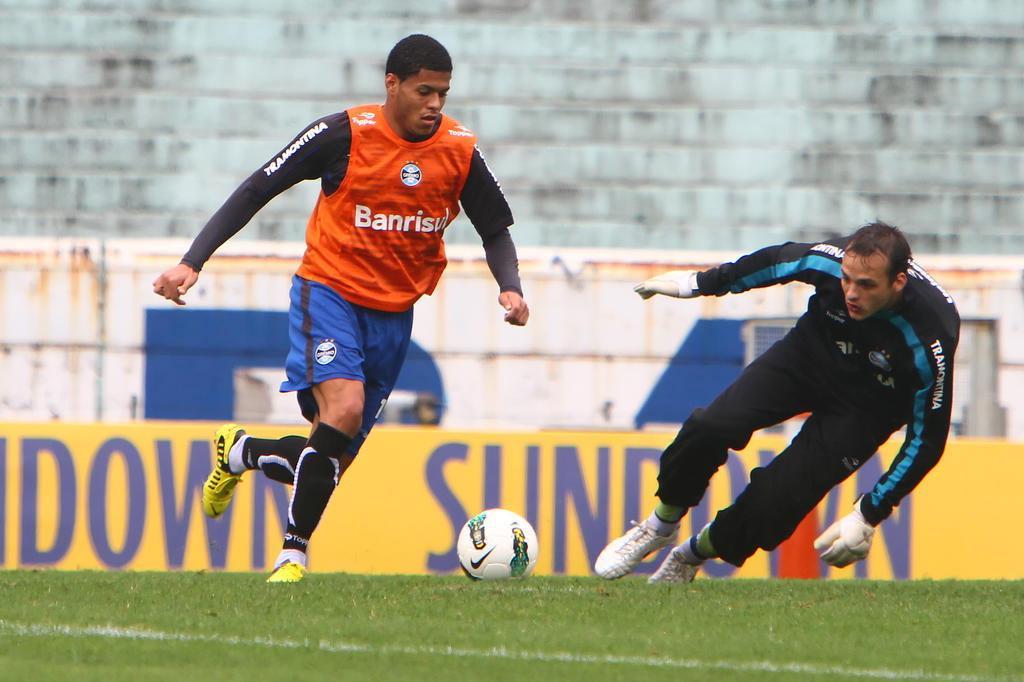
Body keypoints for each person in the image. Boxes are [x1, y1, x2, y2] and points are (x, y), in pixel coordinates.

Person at [152, 34, 529, 583]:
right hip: (328, 294)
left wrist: (510, 287)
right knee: (345, 409)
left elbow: (495, 227)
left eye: (443, 94)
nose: (435, 105)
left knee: (329, 458)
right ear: (392, 84)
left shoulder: (459, 150)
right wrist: (193, 261)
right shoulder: (343, 134)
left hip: (394, 317)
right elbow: (261, 185)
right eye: (425, 92)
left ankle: (241, 452)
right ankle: (293, 553)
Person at [595, 222, 958, 582]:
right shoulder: (831, 263)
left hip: (868, 407)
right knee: (712, 426)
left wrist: (869, 513)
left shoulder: (932, 338)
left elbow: (927, 440)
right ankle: (660, 526)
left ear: (898, 282)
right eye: (847, 279)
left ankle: (690, 555)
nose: (850, 293)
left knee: (773, 503)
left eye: (866, 285)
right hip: (810, 358)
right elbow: (774, 262)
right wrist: (697, 284)